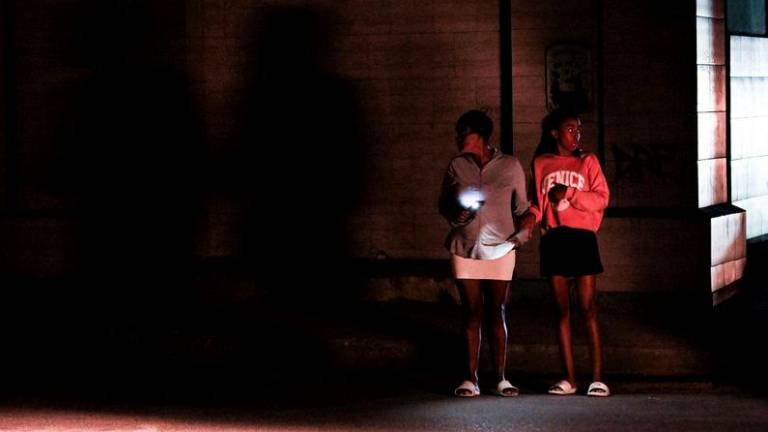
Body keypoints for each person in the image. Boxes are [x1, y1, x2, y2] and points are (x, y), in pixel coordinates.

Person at [438, 110, 535, 397]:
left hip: (501, 247)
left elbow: (523, 208)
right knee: (471, 312)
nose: (458, 139)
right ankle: (470, 378)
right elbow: (444, 204)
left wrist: (524, 232)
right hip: (465, 248)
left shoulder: (510, 166)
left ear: (479, 135)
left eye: (462, 133)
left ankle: (502, 377)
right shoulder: (456, 166)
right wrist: (458, 214)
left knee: (497, 310)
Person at [529, 108, 610, 397]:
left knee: (587, 308)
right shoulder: (541, 163)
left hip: (582, 238)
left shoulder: (588, 161)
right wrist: (529, 222)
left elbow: (602, 198)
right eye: (570, 129)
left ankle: (598, 378)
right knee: (561, 310)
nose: (577, 134)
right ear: (554, 133)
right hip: (554, 240)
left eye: (579, 129)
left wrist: (571, 194)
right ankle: (569, 378)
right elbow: (537, 204)